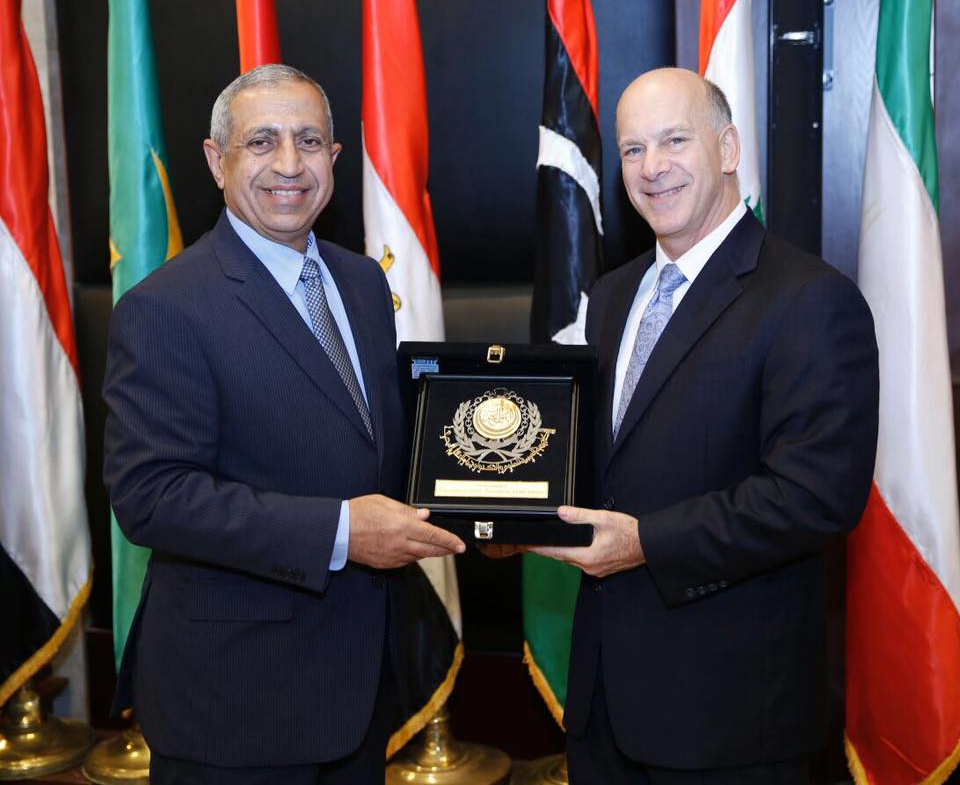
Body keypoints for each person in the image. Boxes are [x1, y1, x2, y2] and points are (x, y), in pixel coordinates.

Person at [102, 63, 465, 784]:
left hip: (359, 685)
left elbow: (374, 446)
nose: (290, 164)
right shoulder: (165, 307)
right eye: (262, 141)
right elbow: (152, 496)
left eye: (310, 141)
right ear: (217, 161)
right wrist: (341, 531)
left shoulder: (362, 282)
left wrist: (484, 508)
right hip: (236, 703)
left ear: (335, 157)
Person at [518, 68, 879, 783]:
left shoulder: (811, 299)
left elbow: (816, 496)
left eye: (674, 141)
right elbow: (599, 462)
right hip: (602, 711)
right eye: (632, 149)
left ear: (729, 148)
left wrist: (645, 543)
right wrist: (513, 513)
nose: (652, 167)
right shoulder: (612, 295)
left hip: (730, 720)